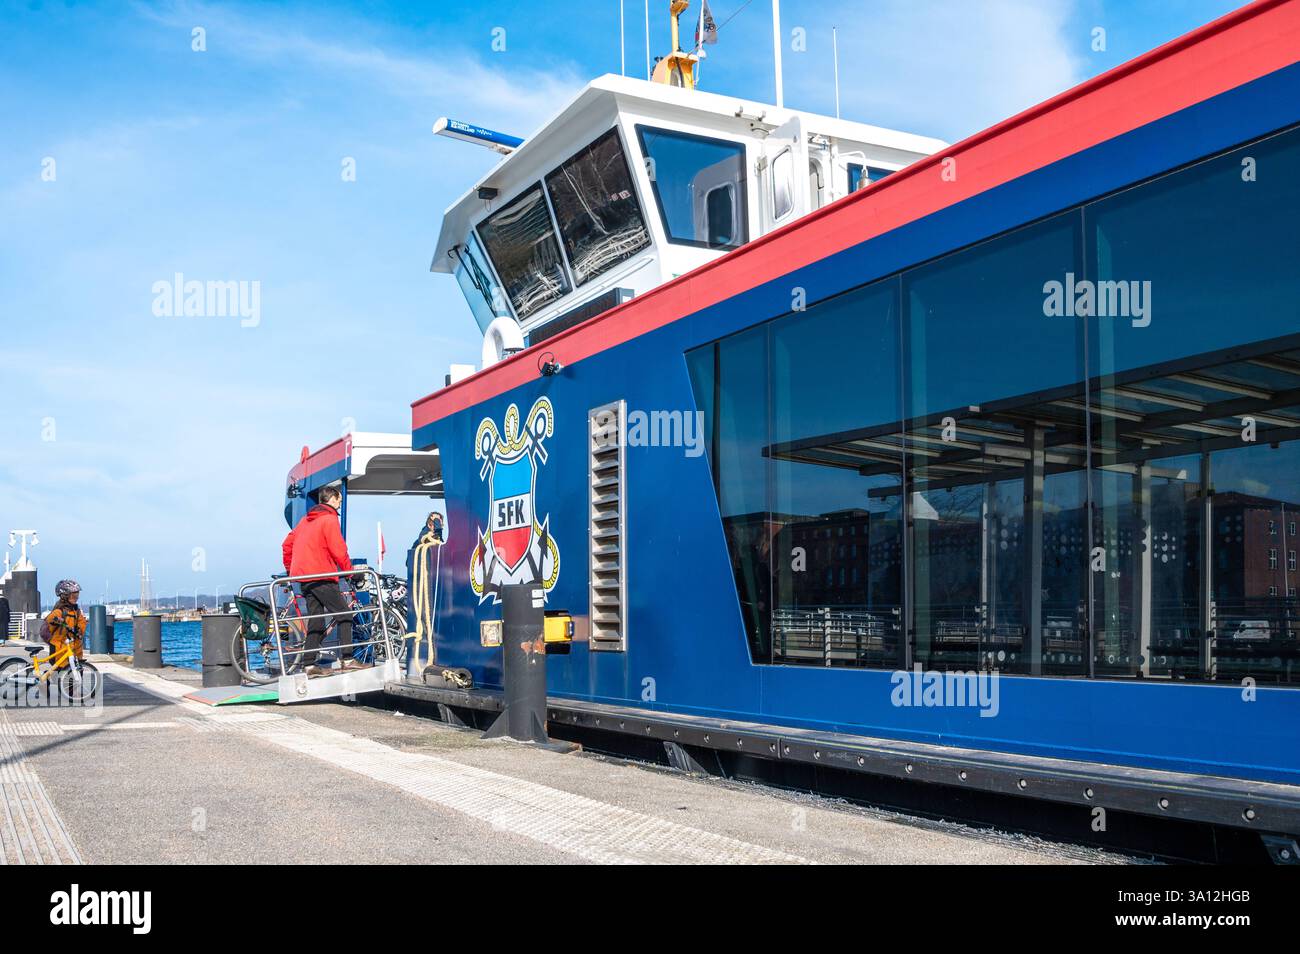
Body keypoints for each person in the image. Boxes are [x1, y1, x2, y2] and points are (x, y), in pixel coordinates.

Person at [281, 485, 362, 674]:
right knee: (344, 615)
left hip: (305, 578)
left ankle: (309, 665)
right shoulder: (329, 519)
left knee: (316, 621)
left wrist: (291, 570)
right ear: (332, 499)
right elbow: (338, 549)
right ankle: (348, 660)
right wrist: (350, 572)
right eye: (339, 501)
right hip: (322, 575)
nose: (340, 505)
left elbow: (287, 545)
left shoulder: (304, 521)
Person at [40, 580, 86, 662]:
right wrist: (58, 621)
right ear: (65, 596)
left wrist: (78, 631)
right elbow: (48, 625)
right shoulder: (58, 612)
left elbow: (81, 626)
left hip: (75, 649)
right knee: (58, 671)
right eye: (73, 596)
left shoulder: (77, 612)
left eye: (77, 595)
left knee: (77, 672)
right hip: (59, 649)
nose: (76, 598)